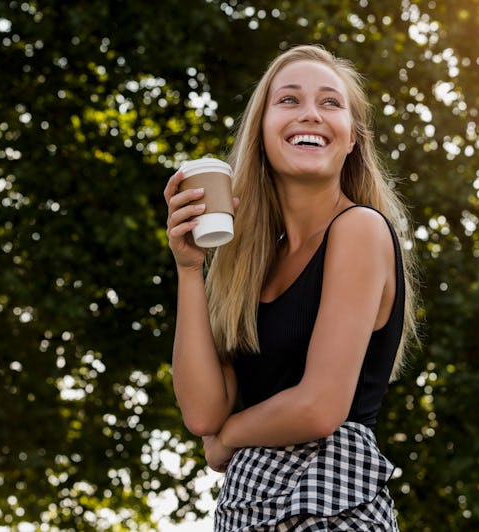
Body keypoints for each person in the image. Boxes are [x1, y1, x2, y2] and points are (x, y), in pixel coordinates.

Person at [163, 44, 419, 531]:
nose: (310, 114)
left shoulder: (360, 228)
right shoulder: (246, 267)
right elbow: (201, 414)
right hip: (247, 506)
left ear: (352, 140)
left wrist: (229, 437)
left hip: (330, 503)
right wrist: (190, 269)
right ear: (261, 133)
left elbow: (320, 407)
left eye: (329, 102)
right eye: (288, 100)